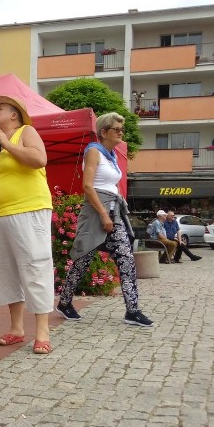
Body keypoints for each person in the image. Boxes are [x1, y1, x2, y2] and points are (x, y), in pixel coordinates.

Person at [56, 112, 154, 327]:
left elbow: (110, 186)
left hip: (112, 212)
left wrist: (114, 212)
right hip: (96, 212)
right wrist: (103, 214)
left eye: (122, 129)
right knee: (83, 261)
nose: (121, 132)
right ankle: (64, 302)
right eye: (116, 129)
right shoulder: (93, 151)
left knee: (126, 259)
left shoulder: (111, 155)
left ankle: (133, 310)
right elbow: (88, 186)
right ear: (104, 132)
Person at [0, 95, 54, 354]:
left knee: (35, 265)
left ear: (14, 115)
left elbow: (39, 159)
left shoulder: (26, 131)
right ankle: (16, 329)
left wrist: (6, 144)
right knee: (6, 270)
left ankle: (43, 332)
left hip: (29, 208)